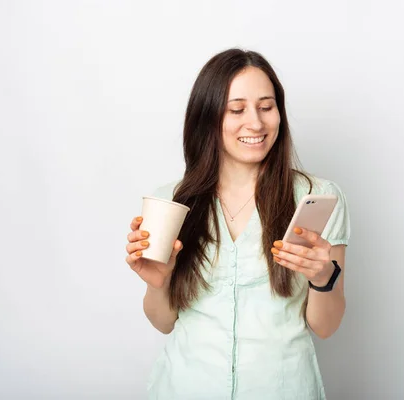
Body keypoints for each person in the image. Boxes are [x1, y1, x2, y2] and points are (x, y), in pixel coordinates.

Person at [125, 48, 351, 399]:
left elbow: (326, 326)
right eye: (236, 109)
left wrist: (324, 279)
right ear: (208, 116)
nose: (256, 123)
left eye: (266, 107)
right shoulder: (172, 201)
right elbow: (164, 322)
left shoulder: (316, 196)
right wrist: (159, 284)